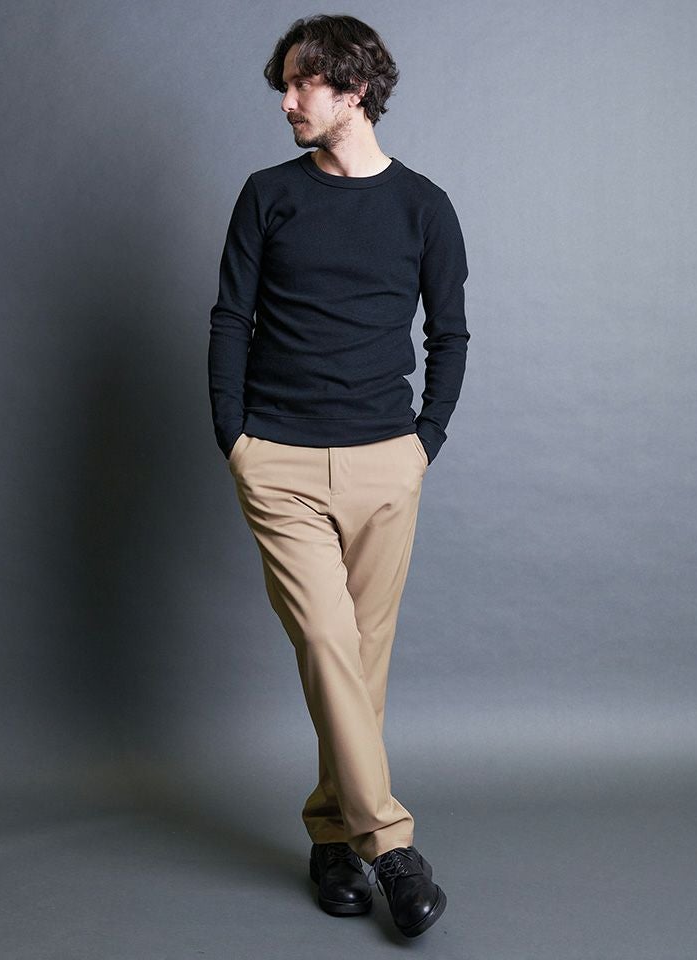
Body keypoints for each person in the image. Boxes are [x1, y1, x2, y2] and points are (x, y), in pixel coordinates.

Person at [207, 14, 469, 939]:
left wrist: (423, 441)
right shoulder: (268, 195)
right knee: (327, 641)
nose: (286, 101)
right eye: (283, 85)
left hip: (385, 463)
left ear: (354, 89)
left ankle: (330, 839)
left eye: (302, 84)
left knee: (361, 667)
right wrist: (235, 437)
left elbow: (449, 334)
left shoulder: (424, 207)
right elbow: (230, 318)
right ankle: (392, 849)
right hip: (277, 460)